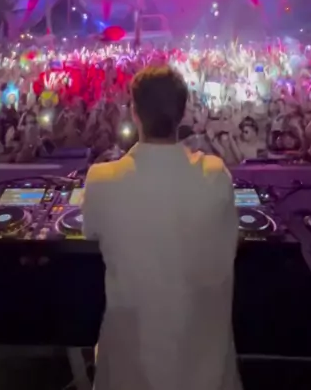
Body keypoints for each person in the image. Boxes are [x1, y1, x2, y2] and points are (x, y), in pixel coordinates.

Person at [83, 66, 241, 390]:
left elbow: (90, 231)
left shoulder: (101, 180)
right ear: (182, 114)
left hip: (130, 375)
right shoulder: (215, 175)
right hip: (208, 376)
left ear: (134, 112)